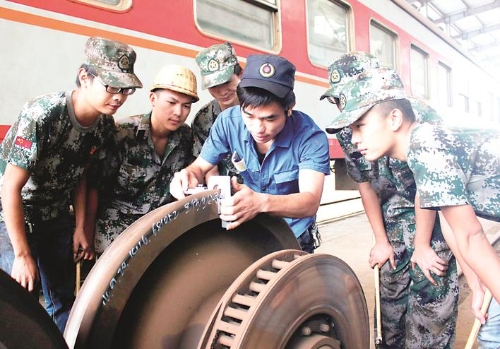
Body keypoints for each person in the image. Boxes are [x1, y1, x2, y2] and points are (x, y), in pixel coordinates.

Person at [327, 66, 500, 347]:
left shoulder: (426, 147)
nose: (354, 138)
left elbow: (472, 236)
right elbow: (453, 225)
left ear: (394, 118)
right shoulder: (420, 149)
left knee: (492, 335)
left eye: (360, 126)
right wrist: (476, 283)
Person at [0, 36, 142, 332]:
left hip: (53, 213)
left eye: (125, 90)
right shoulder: (42, 115)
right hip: (11, 213)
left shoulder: (103, 126)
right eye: (112, 86)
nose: (118, 97)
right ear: (84, 77)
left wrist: (80, 227)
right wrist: (23, 255)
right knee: (18, 301)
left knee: (62, 299)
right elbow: (10, 187)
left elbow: (81, 174)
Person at [320, 52, 458, 348]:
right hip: (393, 216)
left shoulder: (419, 118)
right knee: (390, 310)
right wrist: (381, 240)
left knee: (431, 295)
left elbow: (428, 185)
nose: (343, 106)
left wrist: (421, 245)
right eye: (338, 100)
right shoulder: (349, 128)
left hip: (434, 213)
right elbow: (365, 184)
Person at [170, 54, 330, 253]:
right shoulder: (228, 122)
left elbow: (310, 202)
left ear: (289, 109)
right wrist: (187, 175)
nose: (258, 128)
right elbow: (199, 167)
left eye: (269, 119)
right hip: (251, 227)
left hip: (293, 233)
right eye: (249, 116)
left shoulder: (310, 138)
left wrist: (261, 202)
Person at [86, 64, 198, 256]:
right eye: (171, 103)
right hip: (116, 231)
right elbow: (95, 186)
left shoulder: (187, 137)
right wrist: (86, 232)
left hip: (160, 230)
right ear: (153, 99)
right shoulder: (123, 133)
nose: (179, 112)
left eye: (186, 106)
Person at [193, 42, 243, 180]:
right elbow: (208, 168)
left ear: (240, 74)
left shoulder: (259, 107)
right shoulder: (203, 119)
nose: (222, 92)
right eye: (214, 86)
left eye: (227, 82)